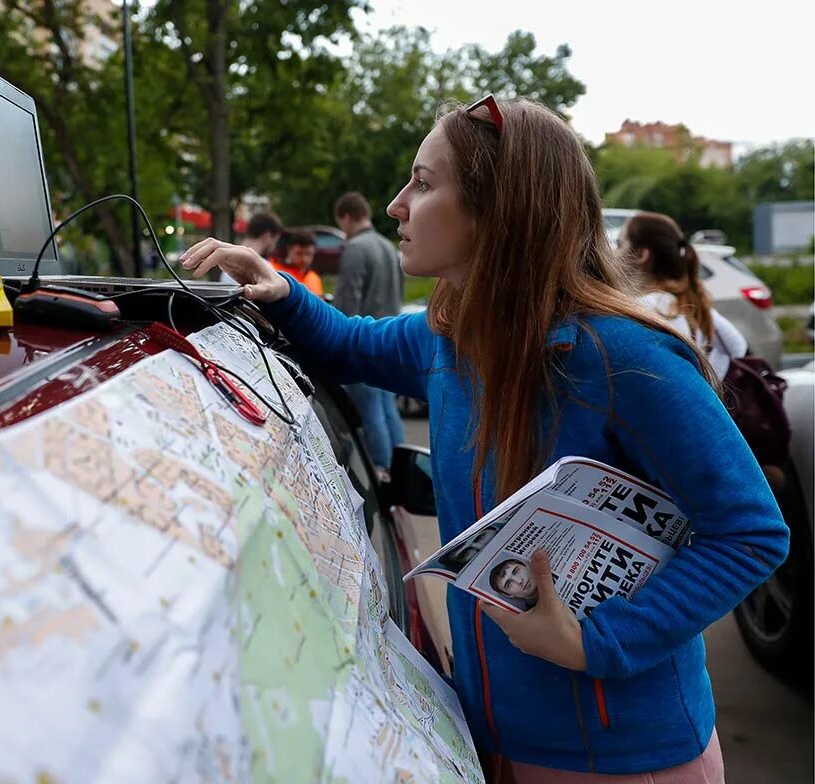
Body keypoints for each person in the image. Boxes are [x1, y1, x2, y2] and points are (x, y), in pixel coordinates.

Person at [181, 95, 787, 782]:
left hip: (624, 760)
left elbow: (750, 533)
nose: (395, 204)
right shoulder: (449, 338)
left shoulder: (626, 359)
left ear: (501, 210)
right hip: (485, 738)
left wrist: (597, 643)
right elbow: (350, 344)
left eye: (423, 181)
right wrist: (279, 290)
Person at [617, 212, 747, 381]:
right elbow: (737, 346)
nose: (614, 253)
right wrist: (710, 383)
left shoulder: (646, 308)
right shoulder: (680, 301)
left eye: (620, 244)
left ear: (642, 255)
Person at [333, 191, 406, 475]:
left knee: (371, 411)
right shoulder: (388, 247)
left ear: (346, 217)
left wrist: (337, 337)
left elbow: (347, 301)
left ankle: (382, 470)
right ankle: (401, 469)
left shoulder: (356, 248)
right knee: (388, 408)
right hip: (390, 336)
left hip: (364, 340)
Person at [269, 230, 323, 296]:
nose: (304, 259)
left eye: (308, 254)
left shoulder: (314, 278)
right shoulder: (273, 269)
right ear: (289, 249)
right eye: (299, 253)